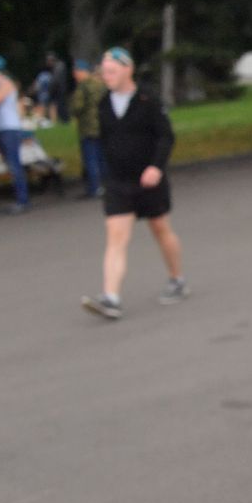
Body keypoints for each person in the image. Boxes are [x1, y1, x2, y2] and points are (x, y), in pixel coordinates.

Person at [81, 48, 186, 319]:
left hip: (149, 181)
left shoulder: (148, 98)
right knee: (116, 238)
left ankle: (177, 279)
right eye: (104, 72)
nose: (107, 76)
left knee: (160, 229)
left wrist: (155, 167)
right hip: (118, 182)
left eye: (112, 71)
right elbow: (106, 140)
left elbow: (166, 136)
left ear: (128, 69)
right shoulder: (103, 103)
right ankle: (111, 298)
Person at [0, 56, 30, 213]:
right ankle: (20, 196)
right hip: (3, 128)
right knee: (10, 163)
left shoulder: (5, 84)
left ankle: (22, 199)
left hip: (10, 128)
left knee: (14, 164)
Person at [67, 59, 106, 198]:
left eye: (76, 71)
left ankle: (94, 188)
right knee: (102, 158)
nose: (74, 75)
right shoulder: (100, 85)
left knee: (90, 159)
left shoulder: (83, 87)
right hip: (102, 125)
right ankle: (107, 185)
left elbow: (77, 107)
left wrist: (71, 110)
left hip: (88, 127)